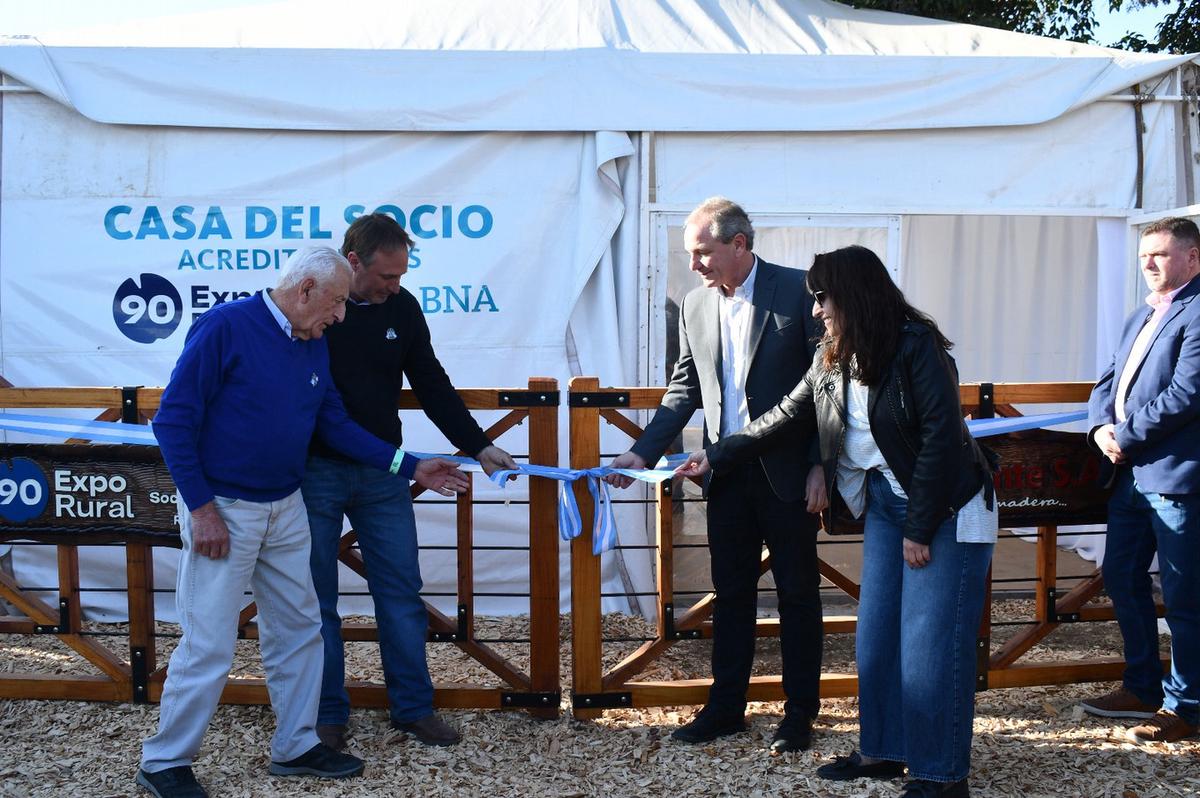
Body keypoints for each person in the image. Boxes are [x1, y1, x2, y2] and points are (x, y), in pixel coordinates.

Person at [138, 247, 469, 798]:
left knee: (300, 630)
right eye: (337, 303)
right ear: (306, 290)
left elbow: (333, 422)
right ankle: (165, 761)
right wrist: (202, 510)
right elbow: (172, 421)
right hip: (224, 509)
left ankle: (295, 745)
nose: (341, 317)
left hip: (286, 506)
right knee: (209, 642)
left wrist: (410, 466)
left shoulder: (311, 342)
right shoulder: (224, 327)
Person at [677, 245, 996, 798]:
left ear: (853, 294)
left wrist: (920, 526)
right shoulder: (833, 350)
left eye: (823, 298)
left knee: (929, 649)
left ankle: (941, 777)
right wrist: (720, 454)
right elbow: (786, 414)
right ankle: (883, 750)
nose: (818, 309)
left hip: (943, 510)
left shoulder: (918, 346)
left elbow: (942, 442)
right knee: (876, 638)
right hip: (889, 506)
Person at [606, 197, 825, 753]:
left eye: (702, 253)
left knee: (798, 596)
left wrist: (823, 465)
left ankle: (800, 715)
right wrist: (642, 453)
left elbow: (823, 392)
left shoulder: (800, 292)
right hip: (722, 476)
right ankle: (726, 708)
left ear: (739, 245)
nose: (694, 266)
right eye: (689, 255)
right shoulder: (694, 307)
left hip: (790, 474)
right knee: (730, 597)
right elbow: (683, 390)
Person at [302, 213, 518, 750]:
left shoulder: (402, 308)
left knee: (400, 592)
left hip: (385, 474)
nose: (395, 287)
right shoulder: (312, 308)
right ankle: (327, 715)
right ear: (352, 262)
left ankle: (413, 708)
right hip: (314, 473)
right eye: (387, 277)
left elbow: (431, 382)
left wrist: (479, 444)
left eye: (401, 277)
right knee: (315, 598)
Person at [1081, 216, 1200, 744]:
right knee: (1121, 577)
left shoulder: (1198, 312)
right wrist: (1100, 427)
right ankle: (1142, 685)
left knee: (1184, 594)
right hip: (1128, 476)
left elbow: (1187, 394)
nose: (1149, 264)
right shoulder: (1139, 315)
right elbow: (1106, 382)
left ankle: (1187, 706)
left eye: (1160, 254)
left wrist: (1124, 435)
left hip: (1176, 476)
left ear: (1192, 258)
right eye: (1143, 257)